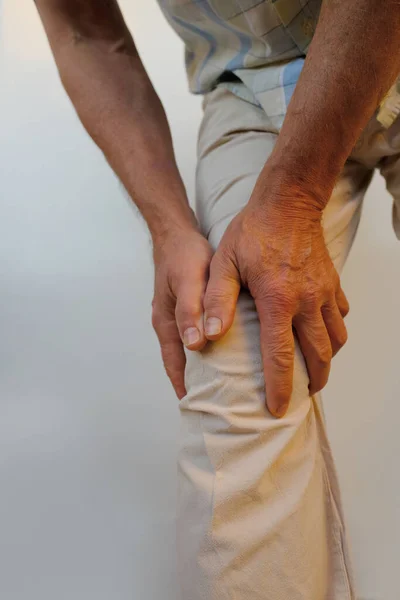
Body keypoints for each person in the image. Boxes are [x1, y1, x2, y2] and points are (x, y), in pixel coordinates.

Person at [34, 1, 400, 598]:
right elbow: (83, 30)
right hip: (262, 81)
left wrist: (290, 201)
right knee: (239, 361)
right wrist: (170, 228)